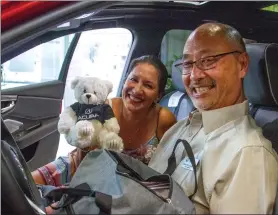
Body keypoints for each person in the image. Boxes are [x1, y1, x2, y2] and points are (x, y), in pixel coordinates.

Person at [148, 23, 278, 214]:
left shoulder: (247, 155)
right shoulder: (180, 128)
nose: (194, 75)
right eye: (187, 64)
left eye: (208, 60)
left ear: (242, 65)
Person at [31, 55, 176, 187]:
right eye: (133, 79)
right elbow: (84, 159)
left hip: (127, 190)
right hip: (80, 169)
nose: (137, 90)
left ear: (159, 95)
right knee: (23, 188)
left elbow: (168, 169)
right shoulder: (105, 108)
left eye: (148, 85)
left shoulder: (163, 119)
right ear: (125, 81)